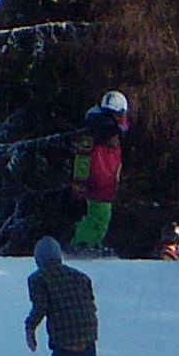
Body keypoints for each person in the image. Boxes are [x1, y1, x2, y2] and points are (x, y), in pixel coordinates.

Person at [25, 238, 130, 356]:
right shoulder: (80, 276)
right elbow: (89, 303)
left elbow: (40, 308)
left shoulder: (39, 279)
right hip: (89, 334)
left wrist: (30, 329)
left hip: (65, 339)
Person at [69, 93, 129, 251]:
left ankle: (91, 243)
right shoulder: (105, 130)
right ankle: (83, 244)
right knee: (99, 216)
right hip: (99, 181)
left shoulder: (97, 128)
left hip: (99, 180)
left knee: (100, 216)